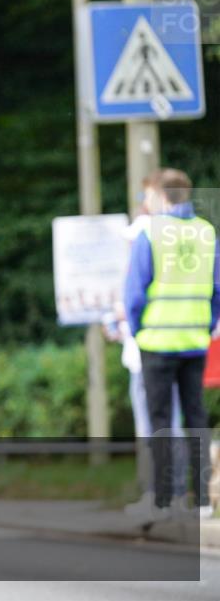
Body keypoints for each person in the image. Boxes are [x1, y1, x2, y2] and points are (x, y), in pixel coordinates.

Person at [124, 168, 219, 520]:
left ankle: (164, 500)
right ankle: (203, 501)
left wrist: (138, 331)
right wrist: (205, 326)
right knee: (196, 418)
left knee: (160, 420)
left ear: (162, 197)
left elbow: (134, 293)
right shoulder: (207, 232)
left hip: (157, 341)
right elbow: (217, 290)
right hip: (195, 342)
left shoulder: (151, 234)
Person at [104, 201, 186, 514]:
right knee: (163, 428)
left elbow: (137, 304)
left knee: (157, 430)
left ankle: (165, 496)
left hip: (150, 358)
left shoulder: (150, 262)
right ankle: (167, 495)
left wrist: (129, 325)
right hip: (159, 355)